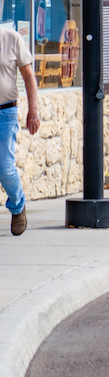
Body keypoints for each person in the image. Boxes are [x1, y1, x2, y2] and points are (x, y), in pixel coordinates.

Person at [1, 26, 40, 235]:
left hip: (5, 113)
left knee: (5, 168)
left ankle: (18, 206)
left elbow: (28, 77)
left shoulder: (11, 38)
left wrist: (33, 110)